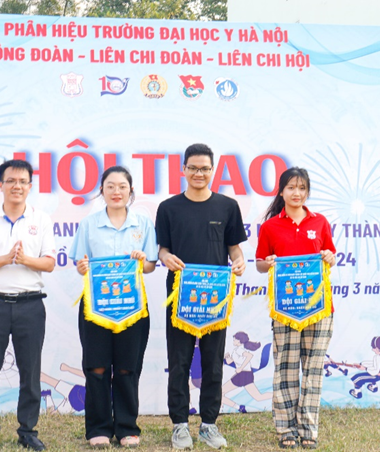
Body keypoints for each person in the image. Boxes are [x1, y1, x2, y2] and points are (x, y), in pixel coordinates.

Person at [156, 143, 247, 450]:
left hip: (215, 299)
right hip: (180, 298)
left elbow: (234, 247)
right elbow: (163, 249)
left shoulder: (227, 206)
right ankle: (180, 426)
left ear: (212, 170)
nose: (198, 173)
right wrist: (165, 257)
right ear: (183, 169)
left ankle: (209, 424)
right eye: (193, 168)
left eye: (204, 168)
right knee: (179, 362)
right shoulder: (168, 208)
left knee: (213, 362)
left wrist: (240, 261)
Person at [0, 159, 56, 451]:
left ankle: (28, 431)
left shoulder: (41, 220)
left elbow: (49, 263)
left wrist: (23, 259)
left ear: (30, 186)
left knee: (30, 370)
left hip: (30, 305)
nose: (16, 186)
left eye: (22, 181)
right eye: (11, 181)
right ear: (1, 185)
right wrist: (6, 258)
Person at [69, 166, 158, 448]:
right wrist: (82, 266)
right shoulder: (89, 224)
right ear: (102, 191)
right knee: (96, 368)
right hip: (95, 307)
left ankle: (127, 428)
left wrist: (143, 260)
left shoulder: (142, 224)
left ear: (131, 191)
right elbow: (81, 264)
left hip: (132, 307)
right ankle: (98, 428)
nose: (116, 192)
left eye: (122, 186)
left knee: (126, 369)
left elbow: (150, 266)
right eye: (110, 186)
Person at [255, 167, 336, 450]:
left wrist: (329, 256)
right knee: (286, 369)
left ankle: (308, 429)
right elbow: (259, 263)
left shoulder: (321, 222)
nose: (297, 193)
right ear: (281, 192)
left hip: (319, 307)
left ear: (307, 192)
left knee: (313, 369)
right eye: (291, 187)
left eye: (302, 188)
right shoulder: (270, 227)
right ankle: (286, 430)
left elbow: (331, 256)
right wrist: (271, 262)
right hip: (285, 308)